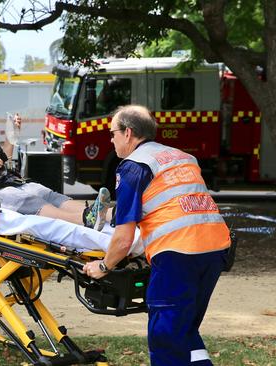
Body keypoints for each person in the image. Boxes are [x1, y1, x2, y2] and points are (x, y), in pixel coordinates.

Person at [82, 105, 231, 365]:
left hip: (178, 254)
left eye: (112, 133)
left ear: (128, 133)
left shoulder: (132, 166)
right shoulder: (181, 156)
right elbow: (168, 202)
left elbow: (124, 238)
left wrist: (103, 266)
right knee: (184, 330)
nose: (111, 139)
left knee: (165, 338)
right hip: (216, 249)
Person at [0, 80, 112, 231]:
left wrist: (12, 135)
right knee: (31, 200)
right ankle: (84, 221)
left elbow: (4, 159)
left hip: (7, 180)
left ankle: (111, 215)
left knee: (49, 194)